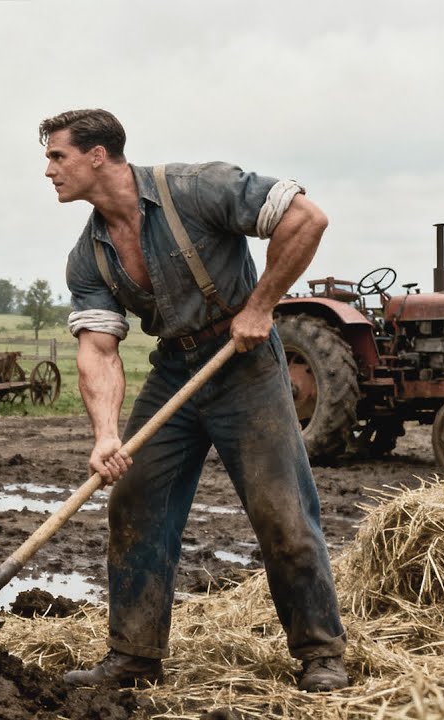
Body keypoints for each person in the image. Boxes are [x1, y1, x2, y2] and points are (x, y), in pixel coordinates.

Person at [42, 108, 347, 692]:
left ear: (98, 155)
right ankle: (134, 656)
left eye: (58, 157)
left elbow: (307, 218)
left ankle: (320, 652)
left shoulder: (198, 188)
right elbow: (99, 352)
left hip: (245, 365)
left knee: (280, 510)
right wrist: (106, 435)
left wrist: (260, 307)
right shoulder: (91, 256)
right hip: (175, 370)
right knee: (133, 500)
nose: (49, 171)